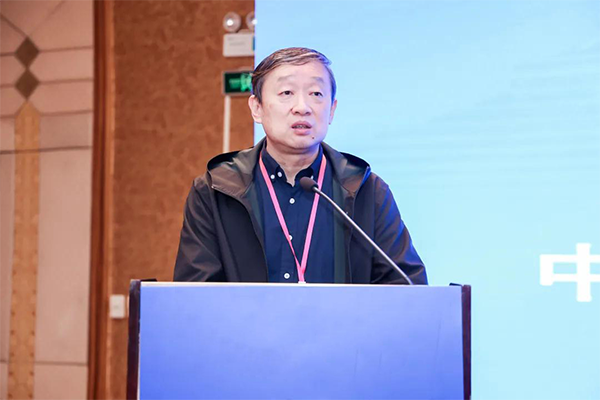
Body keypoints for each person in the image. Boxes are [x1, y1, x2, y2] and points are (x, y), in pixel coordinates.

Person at [173, 47, 427, 284]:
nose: (302, 108)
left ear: (331, 110)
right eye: (286, 93)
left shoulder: (366, 189)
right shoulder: (215, 190)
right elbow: (195, 294)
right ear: (257, 108)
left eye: (316, 94)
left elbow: (405, 286)